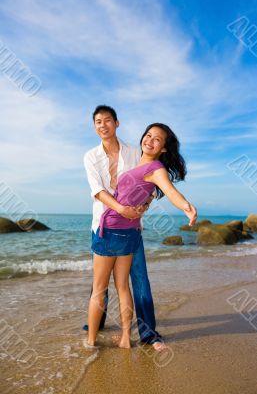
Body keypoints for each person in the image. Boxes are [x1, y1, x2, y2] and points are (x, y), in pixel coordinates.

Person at [84, 107, 197, 349]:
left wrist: (152, 203)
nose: (103, 126)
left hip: (129, 228)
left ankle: (147, 334)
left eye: (107, 121)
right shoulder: (91, 156)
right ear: (95, 126)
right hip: (102, 222)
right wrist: (125, 208)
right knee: (103, 286)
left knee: (136, 280)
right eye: (98, 122)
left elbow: (156, 183)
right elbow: (98, 191)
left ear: (117, 123)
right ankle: (97, 325)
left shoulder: (135, 152)